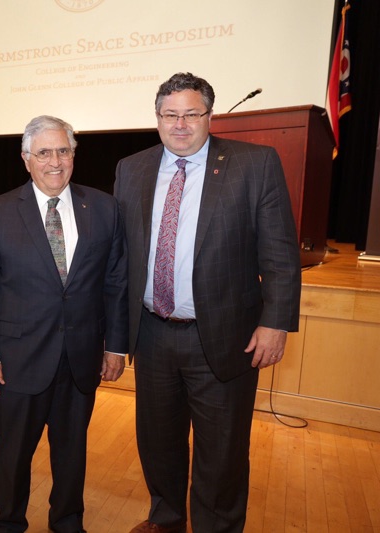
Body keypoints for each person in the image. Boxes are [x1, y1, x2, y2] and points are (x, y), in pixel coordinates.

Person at [113, 72, 301, 533]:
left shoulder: (254, 164)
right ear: (156, 118)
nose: (180, 124)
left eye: (191, 114)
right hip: (151, 333)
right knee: (158, 442)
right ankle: (167, 518)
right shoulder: (131, 167)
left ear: (209, 117)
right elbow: (120, 259)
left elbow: (280, 253)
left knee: (222, 452)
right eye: (170, 115)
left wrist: (275, 322)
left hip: (223, 338)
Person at [0, 115, 128, 533]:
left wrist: (116, 345)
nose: (55, 161)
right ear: (26, 159)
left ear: (74, 155)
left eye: (63, 151)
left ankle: (68, 522)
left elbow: (115, 283)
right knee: (13, 455)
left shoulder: (105, 208)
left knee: (72, 454)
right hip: (17, 362)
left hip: (81, 360)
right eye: (44, 152)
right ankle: (7, 523)